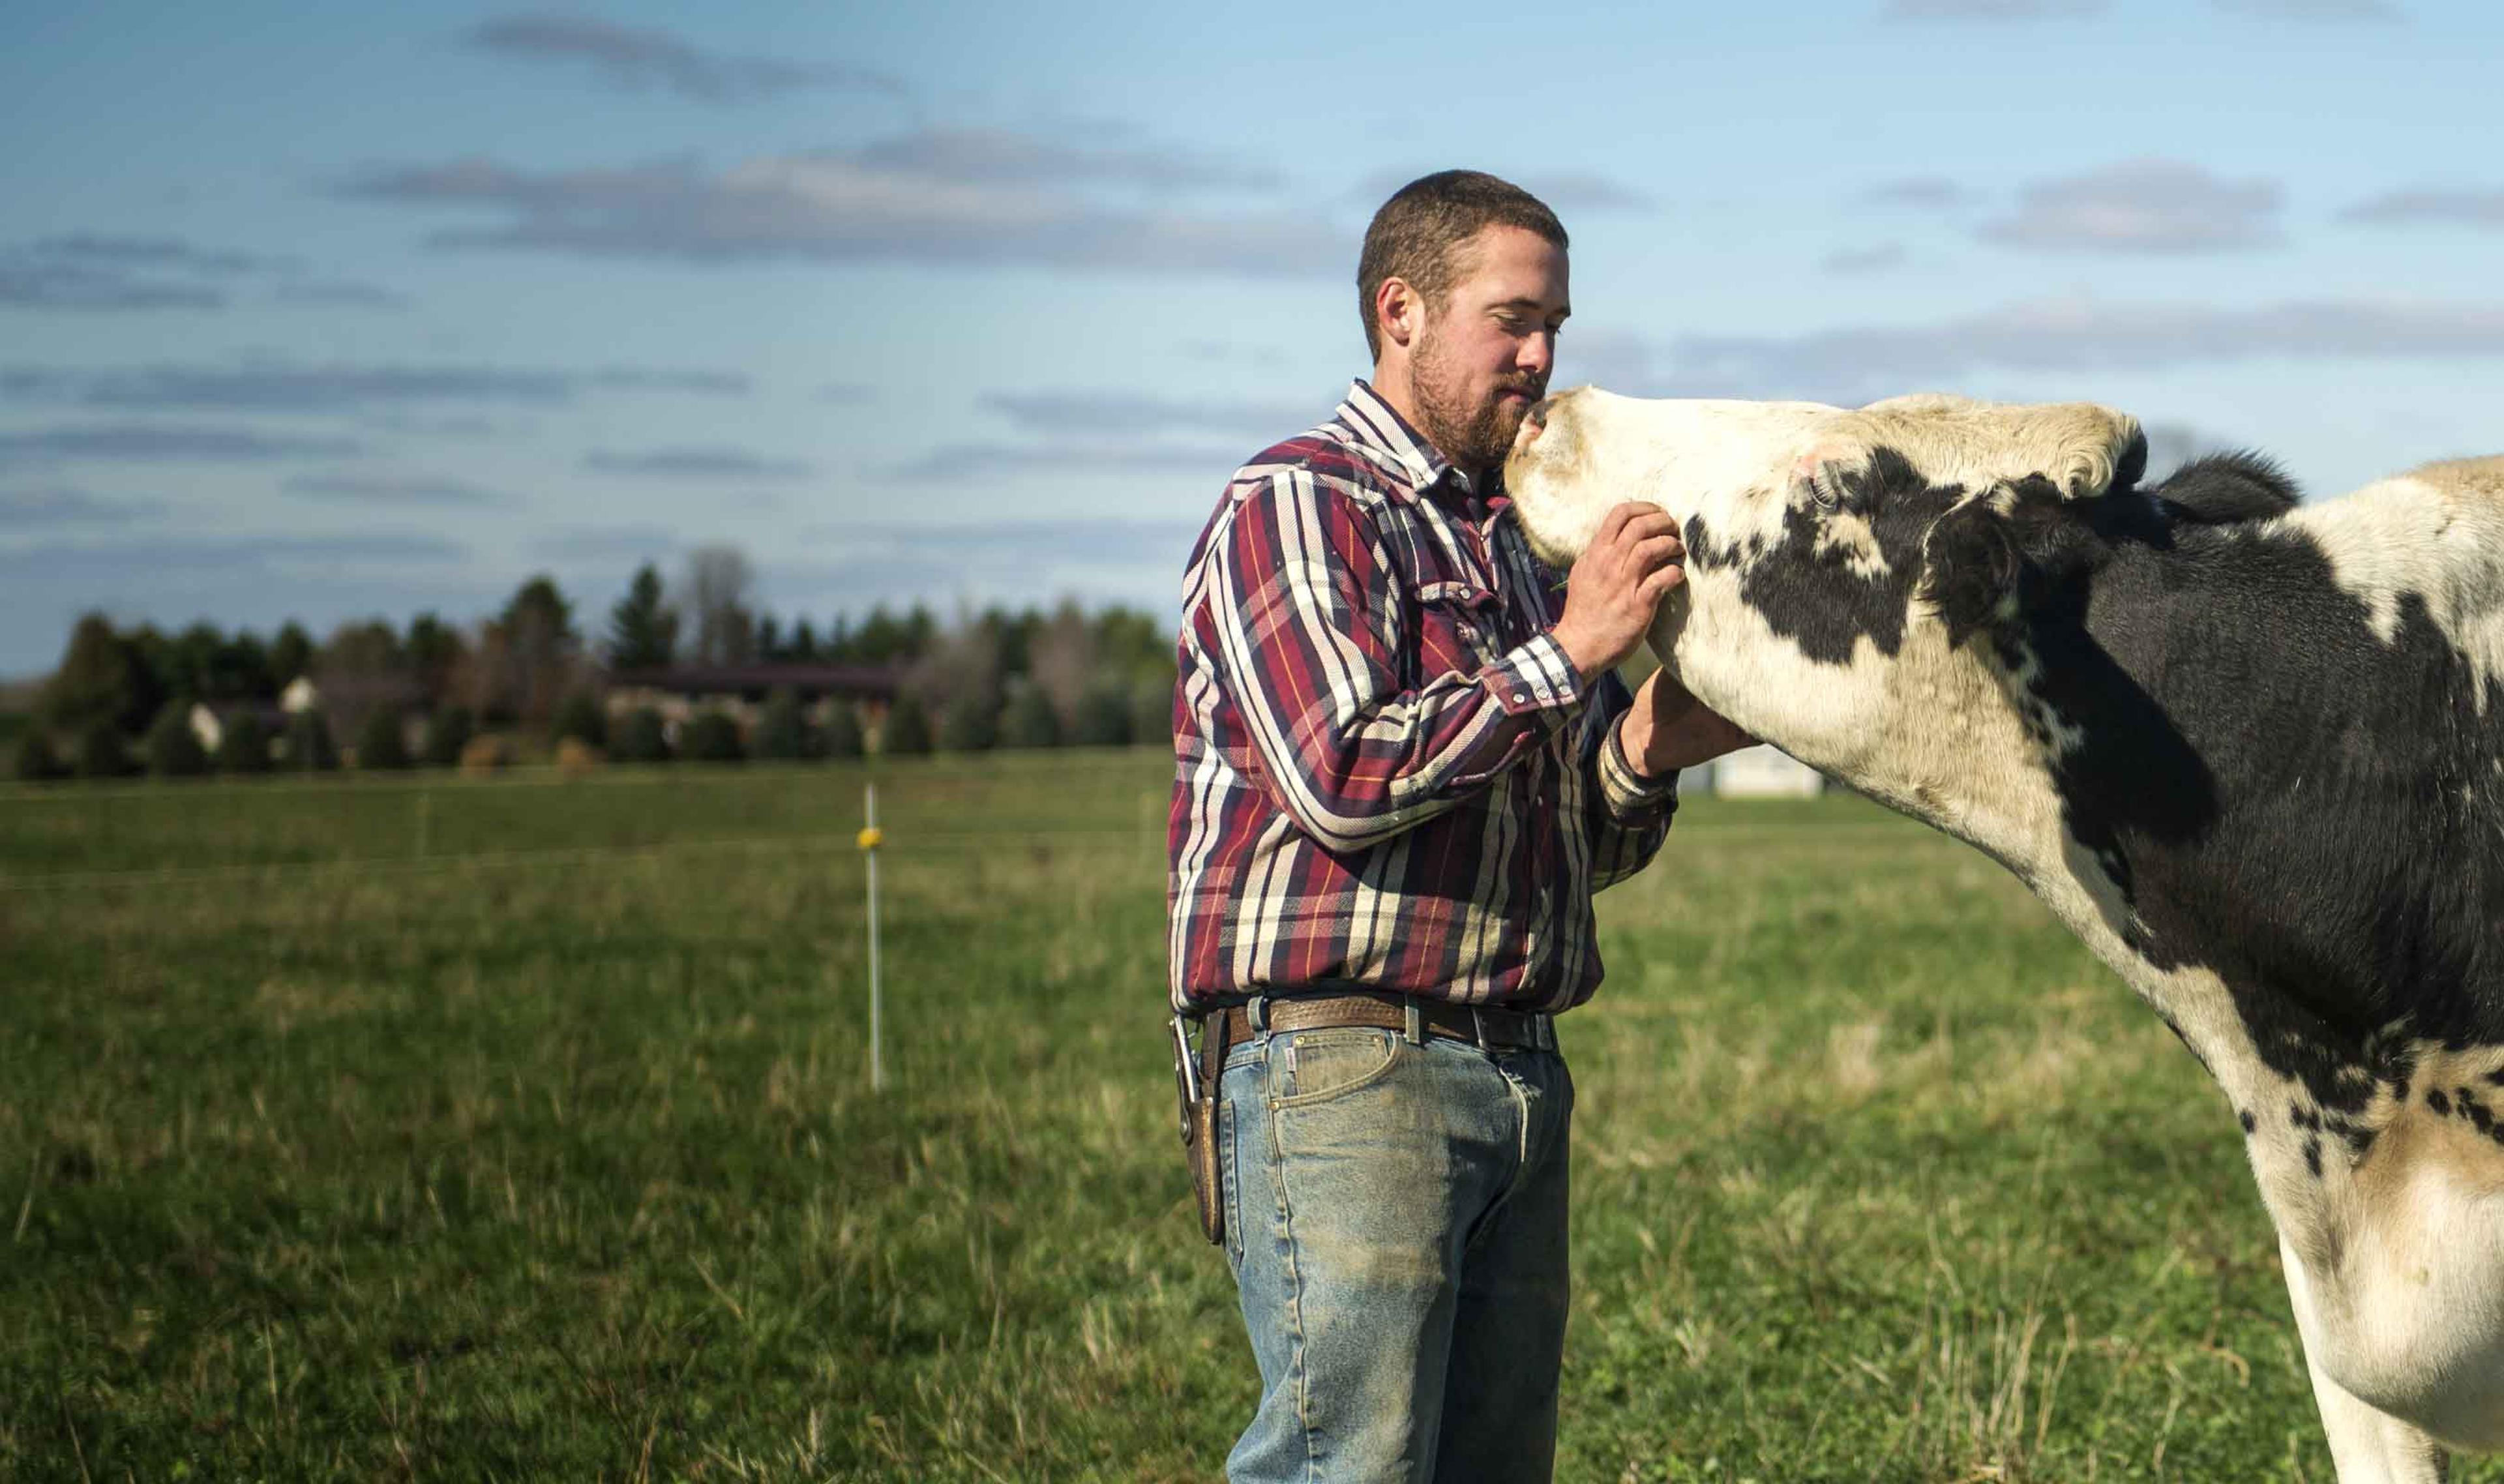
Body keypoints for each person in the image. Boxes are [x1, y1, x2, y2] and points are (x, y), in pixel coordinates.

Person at [1165, 170, 1754, 1483]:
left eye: (1556, 324)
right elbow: (1342, 778)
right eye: (1514, 319)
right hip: (1349, 1069)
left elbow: (1568, 842)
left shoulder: (1509, 544)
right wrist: (1572, 647)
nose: (1543, 360)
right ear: (1402, 312)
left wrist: (1648, 748)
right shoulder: (1304, 504)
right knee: (1350, 1466)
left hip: (1518, 1068)